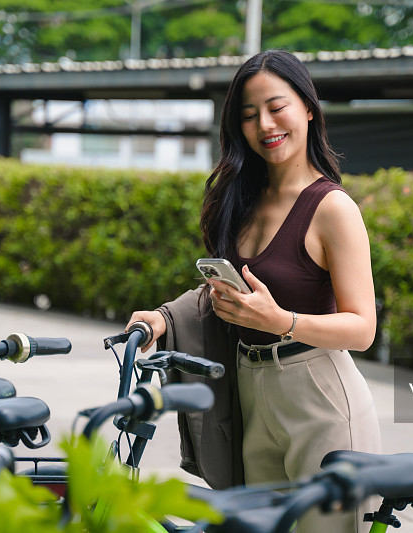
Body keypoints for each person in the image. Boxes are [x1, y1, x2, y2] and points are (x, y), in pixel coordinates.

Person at [127, 49, 381, 532]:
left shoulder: (332, 208)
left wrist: (281, 321)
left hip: (318, 395)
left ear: (308, 107)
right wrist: (163, 317)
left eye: (276, 106)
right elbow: (228, 292)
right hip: (251, 388)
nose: (265, 123)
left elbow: (363, 327)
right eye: (248, 114)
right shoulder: (242, 199)